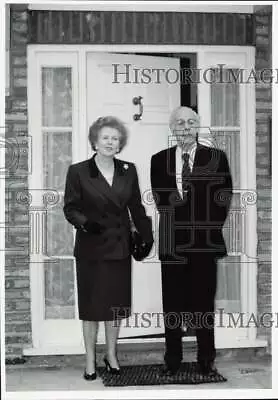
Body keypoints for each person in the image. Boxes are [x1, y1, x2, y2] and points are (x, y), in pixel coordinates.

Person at [63, 116, 153, 380]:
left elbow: (136, 206)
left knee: (115, 306)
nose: (110, 142)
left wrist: (146, 236)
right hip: (91, 248)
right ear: (95, 141)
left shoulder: (129, 169)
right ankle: (90, 358)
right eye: (105, 138)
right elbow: (70, 208)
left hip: (119, 248)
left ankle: (111, 354)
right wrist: (86, 225)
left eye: (115, 138)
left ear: (120, 143)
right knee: (91, 307)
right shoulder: (78, 171)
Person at [150, 106, 233, 376]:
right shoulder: (158, 159)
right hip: (172, 244)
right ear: (172, 128)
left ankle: (206, 361)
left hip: (204, 244)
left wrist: (203, 228)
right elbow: (163, 202)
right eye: (180, 122)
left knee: (202, 304)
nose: (185, 127)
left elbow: (222, 198)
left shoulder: (216, 158)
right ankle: (172, 361)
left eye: (191, 122)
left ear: (197, 127)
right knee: (172, 305)